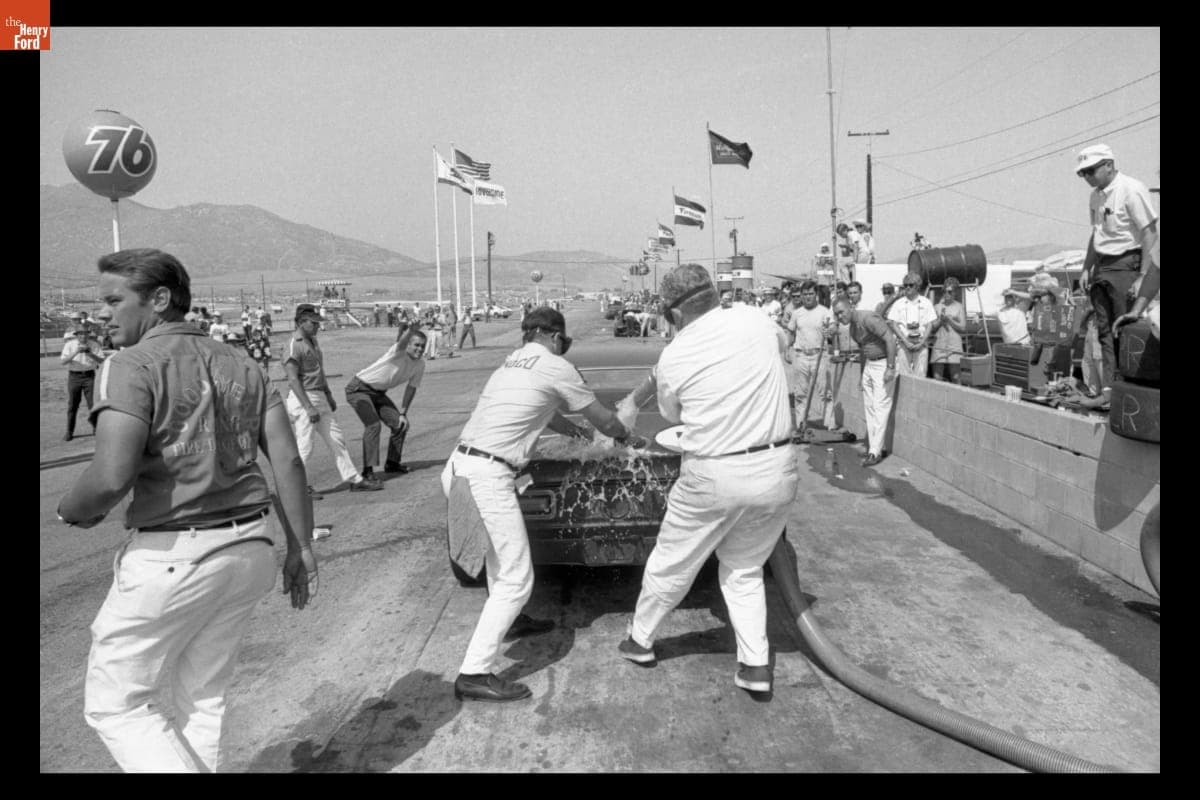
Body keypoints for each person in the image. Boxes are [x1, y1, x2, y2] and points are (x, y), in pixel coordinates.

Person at [55, 248, 317, 773]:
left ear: (159, 298)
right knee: (203, 698)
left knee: (118, 705)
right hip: (251, 546)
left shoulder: (130, 365)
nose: (103, 312)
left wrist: (69, 511)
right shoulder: (244, 363)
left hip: (177, 554)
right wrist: (301, 548)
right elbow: (287, 461)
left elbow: (109, 478)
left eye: (113, 299)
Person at [617, 263, 798, 697]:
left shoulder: (675, 354)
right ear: (715, 295)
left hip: (714, 473)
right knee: (744, 569)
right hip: (778, 469)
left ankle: (640, 639)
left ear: (674, 315)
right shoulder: (754, 318)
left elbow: (674, 417)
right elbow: (784, 340)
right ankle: (754, 665)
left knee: (673, 563)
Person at [443, 307, 641, 702]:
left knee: (502, 569)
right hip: (487, 476)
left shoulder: (512, 363)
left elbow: (541, 411)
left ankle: (511, 621)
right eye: (563, 341)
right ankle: (474, 673)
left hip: (461, 465)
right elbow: (605, 420)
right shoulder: (555, 364)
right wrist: (625, 437)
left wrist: (572, 431)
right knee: (517, 577)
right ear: (554, 337)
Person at [1076, 144, 1158, 404]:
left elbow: (1149, 232)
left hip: (1126, 263)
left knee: (1124, 329)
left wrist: (1142, 274)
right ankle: (1110, 393)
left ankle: (1126, 393)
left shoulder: (1131, 189)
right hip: (1103, 265)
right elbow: (1096, 234)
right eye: (1083, 173)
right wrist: (1086, 267)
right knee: (1104, 332)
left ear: (1108, 165)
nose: (1087, 177)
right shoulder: (1096, 196)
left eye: (1091, 170)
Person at [284, 303, 383, 499]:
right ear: (301, 322)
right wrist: (308, 406)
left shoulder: (312, 341)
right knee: (305, 445)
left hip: (319, 396)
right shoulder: (294, 344)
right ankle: (296, 489)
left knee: (336, 439)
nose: (318, 327)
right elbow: (293, 379)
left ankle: (354, 479)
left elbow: (319, 372)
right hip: (304, 398)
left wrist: (327, 395)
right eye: (314, 323)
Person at [345, 325, 427, 480]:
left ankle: (392, 463)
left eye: (423, 346)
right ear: (408, 345)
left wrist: (403, 413)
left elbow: (411, 388)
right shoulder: (398, 353)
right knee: (373, 425)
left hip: (378, 393)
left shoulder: (420, 364)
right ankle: (367, 472)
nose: (420, 349)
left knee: (400, 424)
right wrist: (410, 330)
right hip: (359, 389)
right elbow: (401, 341)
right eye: (416, 345)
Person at [832, 297, 898, 467]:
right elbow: (863, 350)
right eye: (836, 314)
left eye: (841, 312)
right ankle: (875, 447)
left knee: (880, 407)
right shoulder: (853, 327)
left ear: (850, 306)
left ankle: (875, 452)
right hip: (870, 364)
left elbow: (890, 339)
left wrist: (890, 367)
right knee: (869, 408)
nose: (840, 316)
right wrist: (863, 375)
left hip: (883, 363)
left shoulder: (867, 318)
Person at [786, 280, 836, 432]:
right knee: (800, 393)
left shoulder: (825, 312)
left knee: (825, 392)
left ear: (816, 295)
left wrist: (830, 331)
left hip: (818, 356)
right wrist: (787, 350)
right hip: (801, 356)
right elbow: (791, 332)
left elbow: (833, 328)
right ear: (801, 296)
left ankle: (830, 425)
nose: (808, 297)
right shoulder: (796, 313)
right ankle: (801, 424)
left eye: (811, 294)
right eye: (805, 294)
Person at [887, 272, 937, 377]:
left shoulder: (926, 302)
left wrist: (922, 342)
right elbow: (893, 324)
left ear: (917, 286)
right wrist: (905, 341)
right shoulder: (898, 303)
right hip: (903, 344)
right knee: (903, 375)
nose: (907, 287)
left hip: (921, 344)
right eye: (905, 285)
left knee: (921, 374)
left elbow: (930, 324)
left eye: (911, 285)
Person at [61, 326, 106, 441]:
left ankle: (97, 428)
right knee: (73, 405)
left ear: (88, 334)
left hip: (89, 376)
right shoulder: (70, 345)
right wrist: (76, 351)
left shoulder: (94, 344)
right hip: (74, 376)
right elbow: (63, 361)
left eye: (85, 334)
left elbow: (102, 360)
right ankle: (69, 431)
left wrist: (89, 353)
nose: (83, 336)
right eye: (80, 334)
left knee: (92, 404)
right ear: (76, 335)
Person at [929, 276, 967, 382]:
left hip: (954, 345)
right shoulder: (936, 307)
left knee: (956, 377)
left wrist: (950, 320)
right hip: (939, 344)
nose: (947, 294)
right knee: (937, 377)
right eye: (945, 291)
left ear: (955, 293)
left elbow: (963, 327)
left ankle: (958, 398)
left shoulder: (959, 307)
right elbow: (931, 328)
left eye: (950, 292)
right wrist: (940, 320)